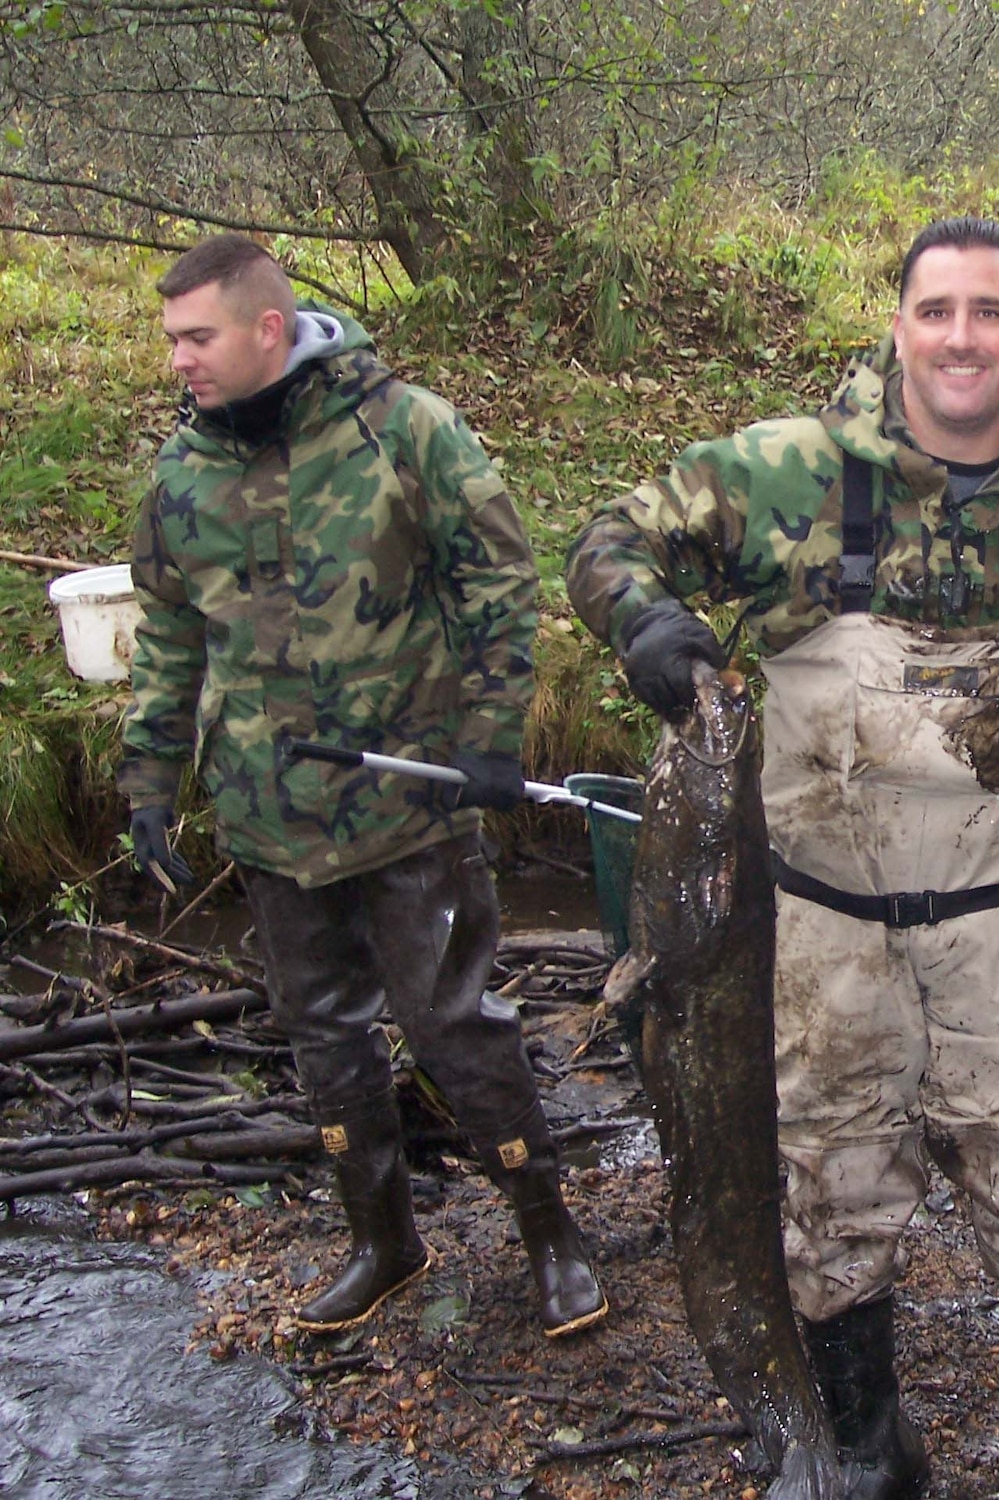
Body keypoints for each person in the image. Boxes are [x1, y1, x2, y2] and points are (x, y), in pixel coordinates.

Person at [566, 216, 999, 1499]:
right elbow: (608, 542)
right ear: (896, 327)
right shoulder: (783, 475)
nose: (960, 337)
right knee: (831, 1193)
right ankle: (867, 1440)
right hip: (820, 926)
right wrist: (650, 625)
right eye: (935, 310)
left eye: (987, 313)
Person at [121, 233, 607, 1340]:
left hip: (407, 807)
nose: (179, 361)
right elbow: (166, 634)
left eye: (196, 338)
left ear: (266, 329)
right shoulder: (182, 470)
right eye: (171, 341)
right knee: (322, 1037)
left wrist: (490, 736)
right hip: (266, 814)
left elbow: (496, 573)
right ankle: (382, 1243)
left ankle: (551, 1235)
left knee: (454, 1025)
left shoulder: (402, 429)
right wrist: (149, 778)